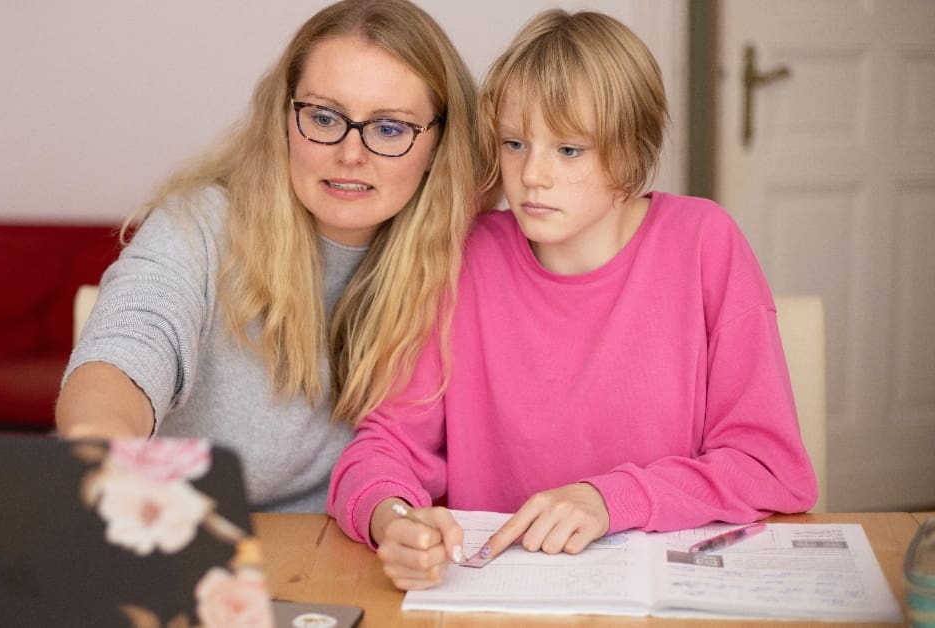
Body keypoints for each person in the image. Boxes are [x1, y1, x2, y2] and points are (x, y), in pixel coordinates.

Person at [327, 9, 818, 589]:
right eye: (515, 143)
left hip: (662, 596)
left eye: (569, 150)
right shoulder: (464, 257)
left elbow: (769, 469)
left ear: (630, 153)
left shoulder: (704, 243)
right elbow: (384, 447)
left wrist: (609, 499)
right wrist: (395, 520)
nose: (532, 174)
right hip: (495, 598)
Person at [56, 0, 481, 513]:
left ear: (437, 142)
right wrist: (102, 445)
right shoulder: (200, 224)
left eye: (389, 128)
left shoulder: (466, 258)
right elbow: (129, 343)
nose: (351, 153)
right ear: (285, 117)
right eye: (324, 118)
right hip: (178, 536)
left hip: (346, 555)